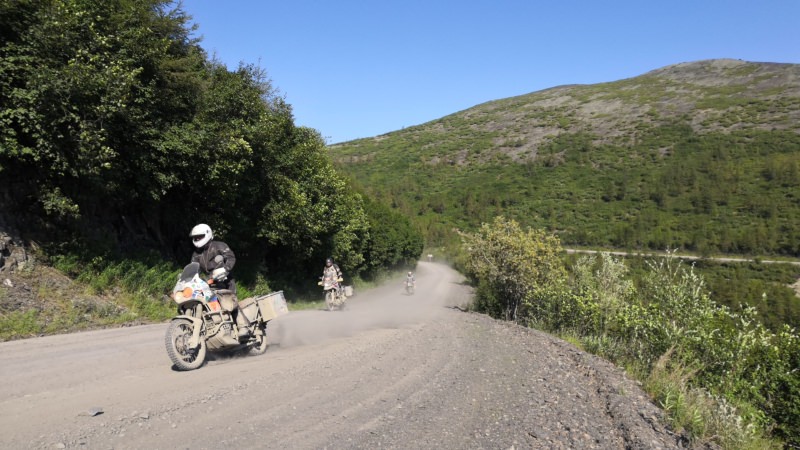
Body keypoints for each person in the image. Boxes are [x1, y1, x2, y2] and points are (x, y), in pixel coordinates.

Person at [189, 223, 250, 336]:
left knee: (229, 303)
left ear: (207, 234)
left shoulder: (218, 245)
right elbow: (194, 269)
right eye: (195, 238)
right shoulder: (196, 254)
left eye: (199, 237)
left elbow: (231, 257)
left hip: (225, 281)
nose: (197, 239)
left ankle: (243, 327)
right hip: (210, 283)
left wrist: (225, 270)